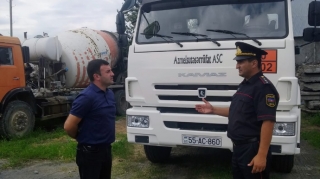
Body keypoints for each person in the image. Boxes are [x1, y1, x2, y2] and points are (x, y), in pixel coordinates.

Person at [195, 42, 279, 179]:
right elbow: (238, 112)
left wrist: (261, 155)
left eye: (241, 62)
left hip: (252, 149)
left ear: (253, 63)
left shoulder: (264, 88)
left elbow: (268, 122)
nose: (237, 66)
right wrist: (213, 109)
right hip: (239, 149)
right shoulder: (245, 85)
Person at [64, 59, 116, 179]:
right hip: (90, 154)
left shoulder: (110, 94)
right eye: (108, 71)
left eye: (111, 71)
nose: (112, 74)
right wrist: (80, 137)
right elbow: (68, 126)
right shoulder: (86, 97)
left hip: (106, 149)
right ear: (97, 76)